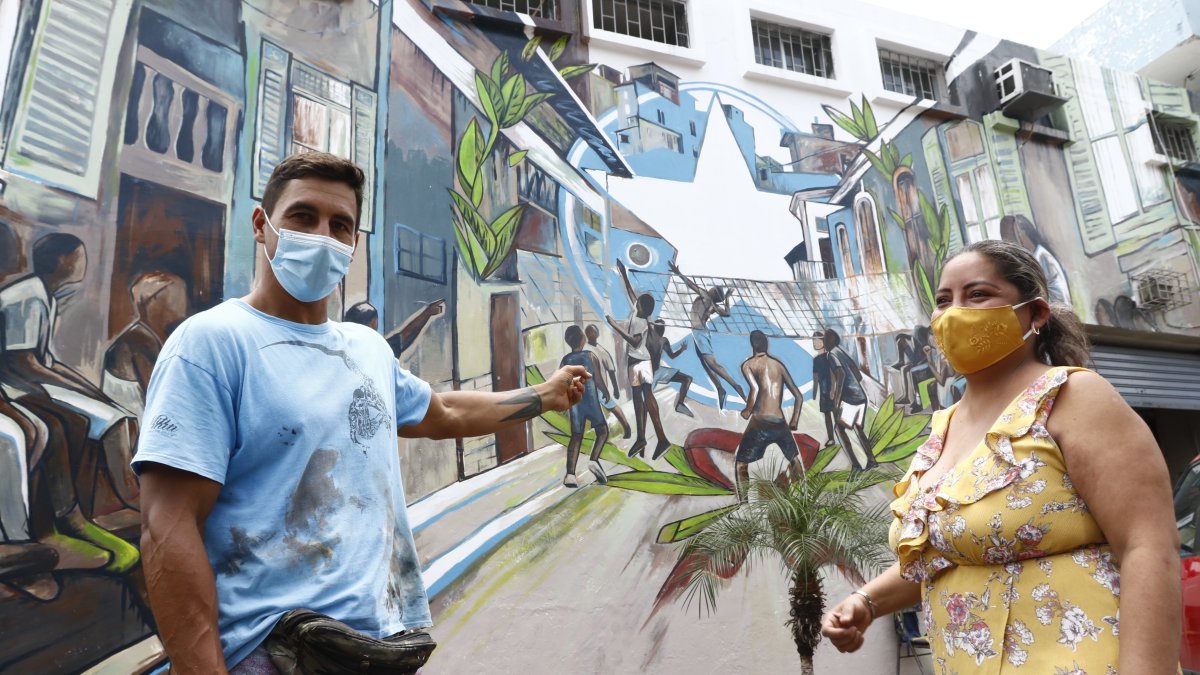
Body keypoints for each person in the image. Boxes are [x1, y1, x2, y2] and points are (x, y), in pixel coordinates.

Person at [134, 152, 589, 674]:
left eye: (341, 226)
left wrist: (545, 397)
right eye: (303, 217)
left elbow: (442, 412)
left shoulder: (366, 349)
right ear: (261, 225)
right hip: (266, 654)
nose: (323, 236)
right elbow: (167, 524)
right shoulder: (213, 342)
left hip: (378, 648)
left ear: (353, 244)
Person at [821, 240, 1180, 673]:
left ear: (1036, 314)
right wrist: (866, 602)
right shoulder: (943, 428)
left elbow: (1148, 548)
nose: (954, 312)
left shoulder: (1072, 397)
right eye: (942, 300)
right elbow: (952, 551)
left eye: (978, 295)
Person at [605, 260, 671, 459]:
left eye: (639, 303)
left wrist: (614, 325)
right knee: (639, 400)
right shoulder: (637, 310)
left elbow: (633, 342)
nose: (635, 302)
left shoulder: (643, 323)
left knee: (646, 398)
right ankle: (643, 438)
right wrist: (623, 274)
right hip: (637, 362)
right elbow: (630, 293)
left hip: (640, 361)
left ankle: (661, 439)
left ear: (643, 309)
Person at [103, 272, 189, 416]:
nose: (184, 305)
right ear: (153, 301)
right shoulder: (139, 339)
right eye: (177, 297)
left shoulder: (148, 335)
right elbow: (160, 394)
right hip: (134, 424)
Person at [735, 330, 804, 502]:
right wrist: (794, 420)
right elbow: (798, 395)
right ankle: (805, 496)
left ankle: (743, 504)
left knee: (741, 464)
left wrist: (747, 410)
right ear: (767, 344)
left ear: (752, 345)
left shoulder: (748, 365)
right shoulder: (778, 365)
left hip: (760, 422)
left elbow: (756, 389)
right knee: (795, 461)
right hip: (779, 421)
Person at [668, 260, 747, 409]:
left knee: (712, 364)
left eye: (713, 288)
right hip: (700, 332)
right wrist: (728, 298)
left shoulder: (706, 297)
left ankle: (736, 386)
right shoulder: (713, 304)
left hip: (699, 332)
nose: (710, 288)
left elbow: (691, 285)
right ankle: (720, 388)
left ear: (713, 292)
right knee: (706, 364)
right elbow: (727, 313)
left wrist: (678, 273)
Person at [559, 325, 610, 488]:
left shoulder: (565, 360)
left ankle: (570, 475)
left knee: (576, 436)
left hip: (576, 402)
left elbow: (561, 383)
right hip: (591, 400)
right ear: (583, 338)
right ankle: (594, 459)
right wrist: (605, 391)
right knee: (602, 431)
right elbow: (599, 379)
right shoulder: (590, 355)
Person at [822, 328, 875, 470]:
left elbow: (840, 374)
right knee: (858, 429)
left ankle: (855, 465)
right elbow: (857, 374)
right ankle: (871, 460)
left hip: (850, 399)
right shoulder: (841, 352)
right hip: (860, 397)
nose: (824, 342)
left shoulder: (831, 355)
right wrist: (853, 386)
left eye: (825, 339)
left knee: (840, 429)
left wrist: (837, 399)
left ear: (832, 340)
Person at [1001, 214, 1072, 308]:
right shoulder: (1033, 256)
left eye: (1016, 236)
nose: (1014, 243)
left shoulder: (1041, 256)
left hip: (1058, 307)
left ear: (1025, 233)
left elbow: (1041, 291)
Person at [344, 299, 445, 362]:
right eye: (374, 325)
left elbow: (405, 335)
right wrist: (427, 313)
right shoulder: (378, 352)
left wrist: (427, 313)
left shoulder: (340, 351)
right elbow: (406, 335)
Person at [584, 323, 631, 439]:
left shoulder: (602, 352)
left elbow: (611, 370)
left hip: (600, 387)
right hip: (586, 387)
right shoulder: (583, 349)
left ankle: (626, 427)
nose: (591, 334)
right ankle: (597, 433)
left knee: (612, 406)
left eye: (593, 332)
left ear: (597, 334)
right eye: (589, 332)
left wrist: (615, 388)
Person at [646, 319, 694, 419]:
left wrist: (681, 349)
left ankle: (680, 404)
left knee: (687, 379)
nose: (662, 330)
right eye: (660, 328)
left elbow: (672, 356)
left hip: (659, 371)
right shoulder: (649, 338)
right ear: (655, 328)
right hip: (649, 374)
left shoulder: (664, 340)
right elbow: (647, 319)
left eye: (663, 328)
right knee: (646, 403)